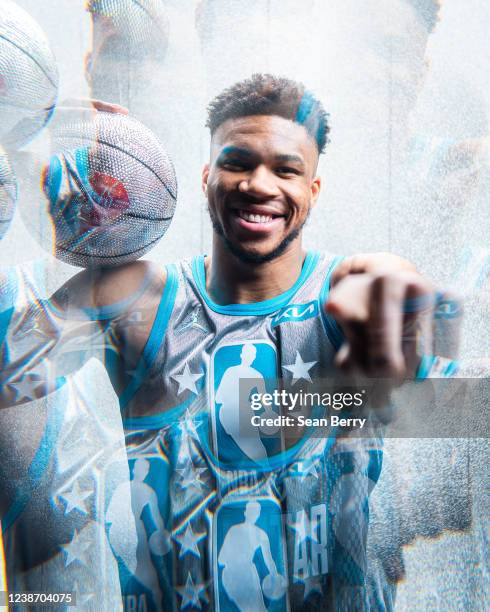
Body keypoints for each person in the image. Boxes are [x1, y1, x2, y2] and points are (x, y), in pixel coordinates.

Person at [1, 74, 456, 610]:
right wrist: (27, 143)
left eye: (286, 169)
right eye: (238, 162)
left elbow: (453, 399)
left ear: (312, 190)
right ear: (205, 177)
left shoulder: (349, 292)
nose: (260, 185)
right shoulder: (134, 302)